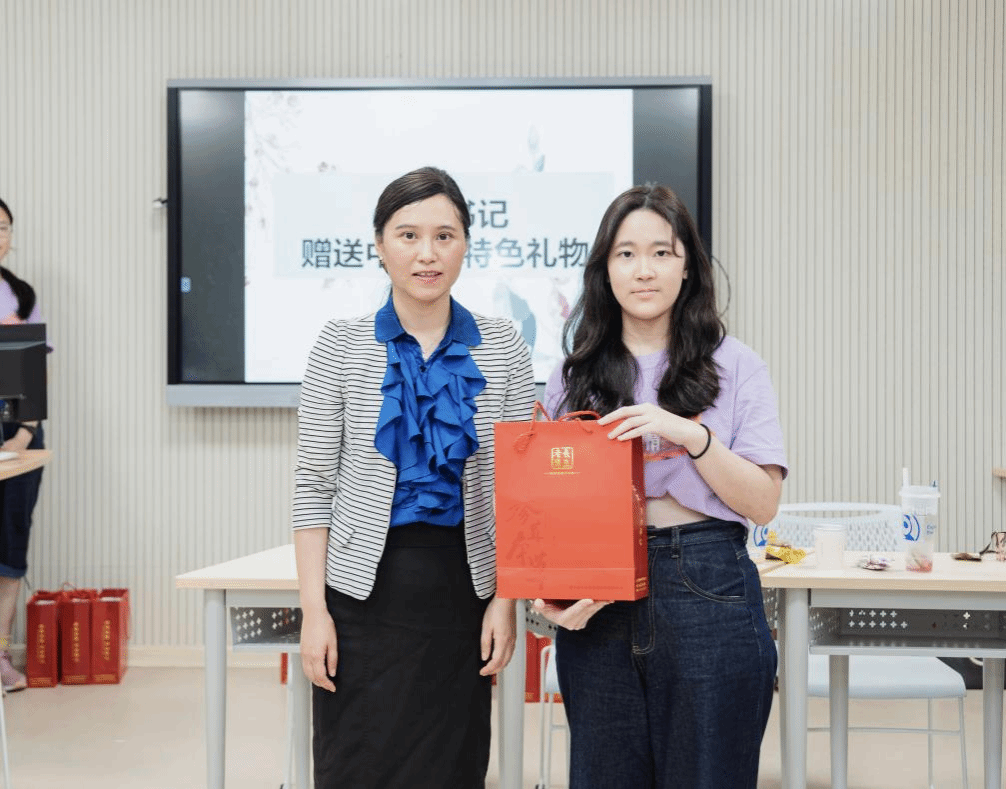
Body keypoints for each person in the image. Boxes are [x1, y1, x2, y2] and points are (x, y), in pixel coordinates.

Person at [292, 166, 537, 788]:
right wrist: (314, 612)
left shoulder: (504, 345)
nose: (427, 253)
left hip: (464, 593)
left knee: (453, 767)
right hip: (360, 596)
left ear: (465, 244)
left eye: (444, 236)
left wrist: (505, 602)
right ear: (379, 244)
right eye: (408, 235)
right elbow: (314, 487)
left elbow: (519, 490)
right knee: (355, 765)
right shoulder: (339, 346)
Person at [538, 184, 787, 789]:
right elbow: (550, 512)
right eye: (625, 254)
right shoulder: (572, 376)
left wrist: (691, 435)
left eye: (661, 253)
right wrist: (554, 594)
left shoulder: (737, 365)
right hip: (601, 594)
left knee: (709, 774)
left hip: (707, 581)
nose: (643, 270)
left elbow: (763, 504)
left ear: (688, 267)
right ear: (605, 269)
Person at [0, 197, 46, 693]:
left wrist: (24, 433)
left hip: (17, 429)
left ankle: (1, 658)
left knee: (10, 549)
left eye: (4, 227)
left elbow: (32, 371)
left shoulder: (21, 294)